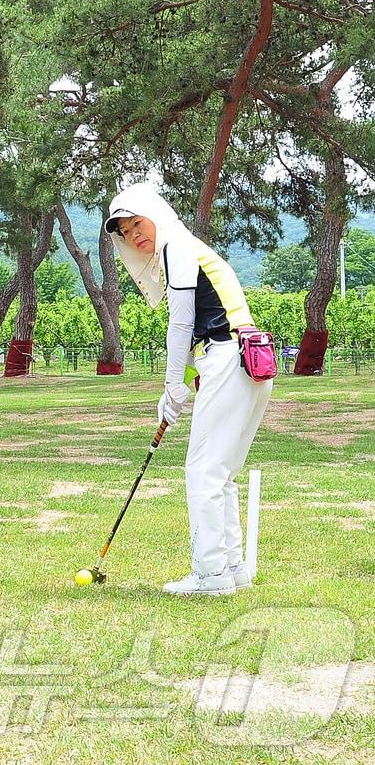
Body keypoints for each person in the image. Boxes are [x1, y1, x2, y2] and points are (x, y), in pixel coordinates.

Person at [105, 184, 272, 596]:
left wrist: (171, 386)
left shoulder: (177, 247)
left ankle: (210, 576)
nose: (134, 235)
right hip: (247, 359)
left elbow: (180, 325)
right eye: (125, 232)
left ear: (156, 215)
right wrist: (180, 383)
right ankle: (232, 569)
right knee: (221, 474)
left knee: (203, 472)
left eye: (137, 223)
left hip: (230, 358)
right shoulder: (189, 247)